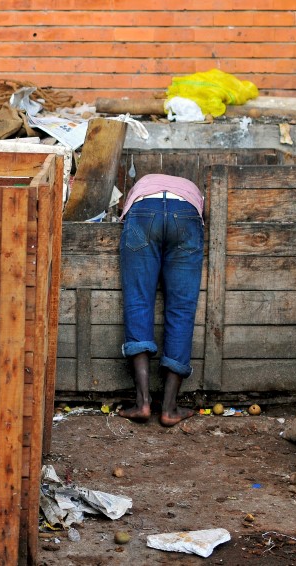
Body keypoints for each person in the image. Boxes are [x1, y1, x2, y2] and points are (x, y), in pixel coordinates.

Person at [116, 173, 204, 427]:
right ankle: (168, 408)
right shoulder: (192, 190)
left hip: (143, 213)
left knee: (138, 301)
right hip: (186, 215)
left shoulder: (142, 185)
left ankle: (142, 402)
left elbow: (125, 208)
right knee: (181, 309)